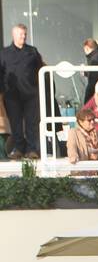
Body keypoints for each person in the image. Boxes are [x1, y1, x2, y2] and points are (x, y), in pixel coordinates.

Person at [1, 24, 43, 160]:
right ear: (14, 35)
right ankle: (19, 149)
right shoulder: (4, 53)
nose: (23, 36)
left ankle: (32, 150)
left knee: (32, 123)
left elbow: (40, 69)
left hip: (31, 94)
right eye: (21, 34)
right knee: (15, 124)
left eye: (25, 34)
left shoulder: (32, 51)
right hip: (11, 95)